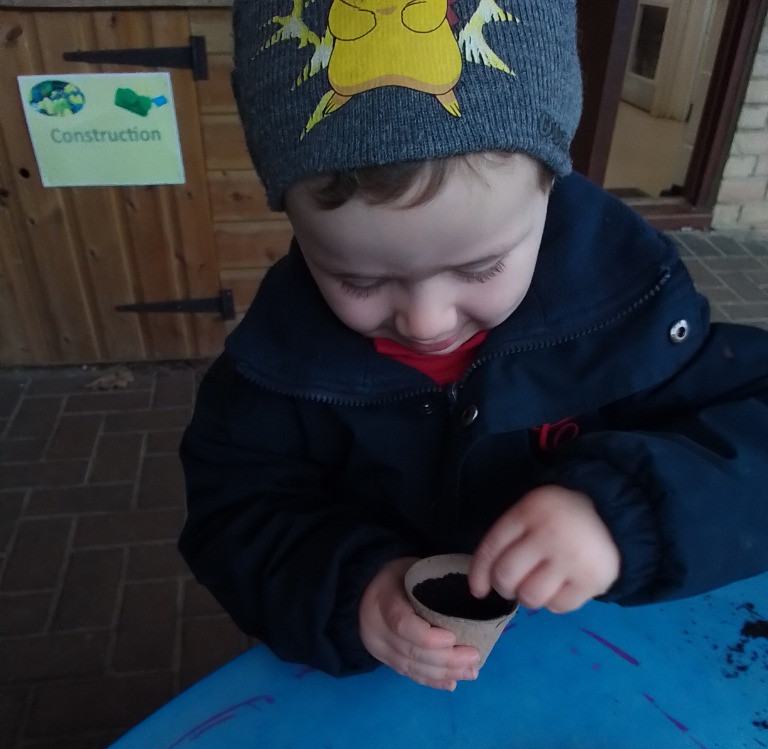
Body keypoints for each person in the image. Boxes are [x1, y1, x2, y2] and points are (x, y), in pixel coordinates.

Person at [179, 0, 768, 690]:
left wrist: (625, 512)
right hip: (390, 694)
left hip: (609, 676)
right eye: (358, 279)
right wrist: (355, 590)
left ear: (550, 192)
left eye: (480, 268)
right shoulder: (271, 379)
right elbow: (236, 519)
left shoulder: (632, 316)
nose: (426, 322)